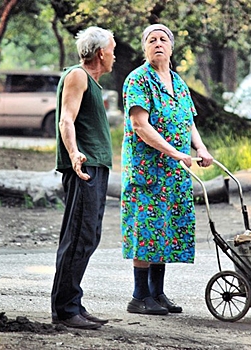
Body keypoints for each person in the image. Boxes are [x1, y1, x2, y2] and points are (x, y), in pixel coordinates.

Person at [120, 24, 213, 315]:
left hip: (174, 172)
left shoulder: (178, 82)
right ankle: (139, 297)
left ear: (171, 48)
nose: (158, 43)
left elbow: (188, 122)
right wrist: (174, 152)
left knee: (166, 229)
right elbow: (140, 125)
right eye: (151, 39)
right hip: (147, 170)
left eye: (163, 39)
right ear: (144, 48)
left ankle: (157, 293)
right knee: (146, 229)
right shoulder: (138, 80)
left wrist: (201, 148)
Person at [51, 26, 116, 330]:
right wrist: (75, 153)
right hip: (83, 168)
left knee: (87, 236)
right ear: (101, 52)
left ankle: (73, 302)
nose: (114, 55)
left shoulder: (92, 82)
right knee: (78, 236)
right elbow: (67, 118)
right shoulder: (77, 76)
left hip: (95, 167)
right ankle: (65, 310)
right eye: (112, 49)